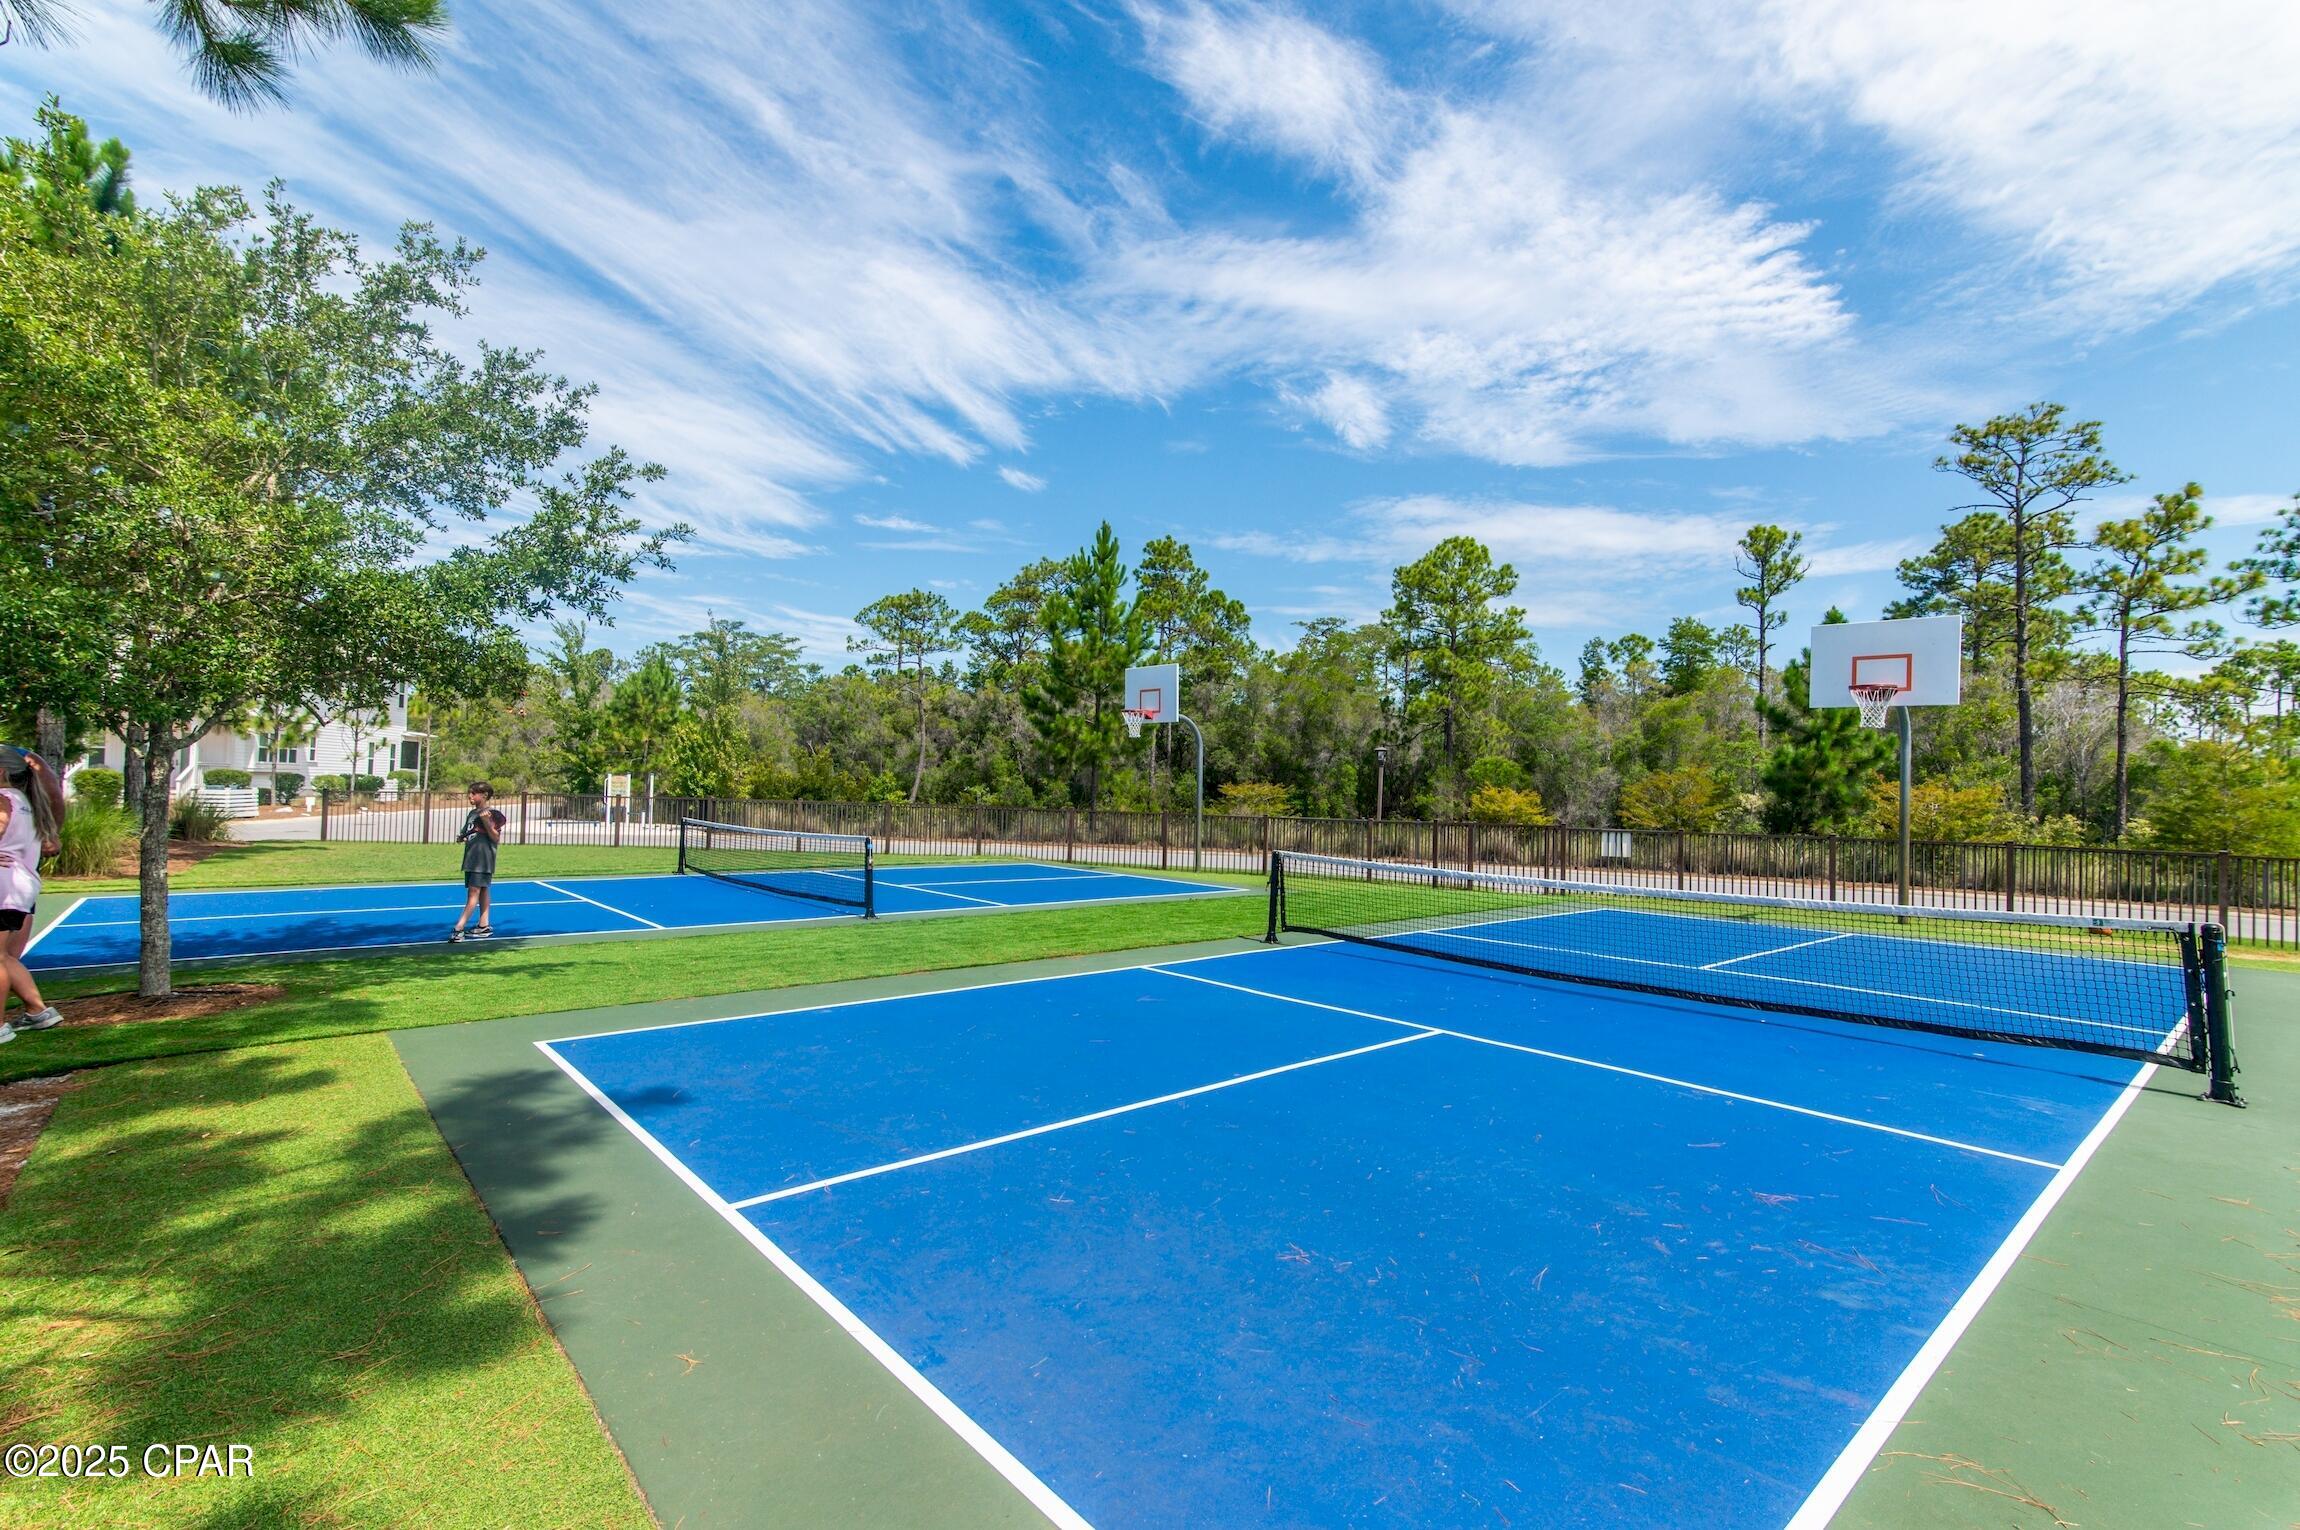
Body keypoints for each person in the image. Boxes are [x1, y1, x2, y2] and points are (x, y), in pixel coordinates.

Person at [0, 746, 67, 1042]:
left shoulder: (4, 800)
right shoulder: (29, 802)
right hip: (22, 887)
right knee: (3, 957)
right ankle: (39, 1012)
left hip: (6, 886)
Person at [449, 781, 505, 943]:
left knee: (474, 892)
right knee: (483, 889)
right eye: (469, 793)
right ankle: (483, 926)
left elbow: (495, 838)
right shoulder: (472, 814)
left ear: (484, 795)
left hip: (483, 859)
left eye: (474, 793)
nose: (470, 796)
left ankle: (459, 927)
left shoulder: (492, 814)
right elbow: (469, 831)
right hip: (471, 857)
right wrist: (462, 837)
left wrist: (487, 822)